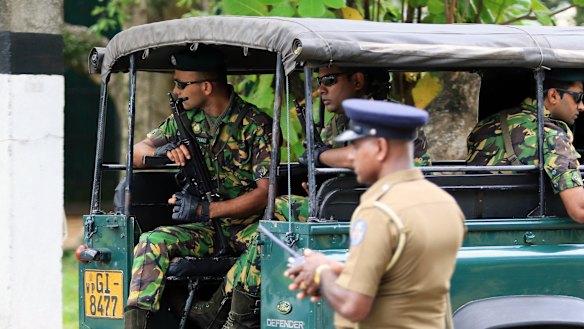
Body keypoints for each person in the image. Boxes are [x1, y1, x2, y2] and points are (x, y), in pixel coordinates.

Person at [123, 46, 273, 328]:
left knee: (269, 242)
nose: (177, 91)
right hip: (207, 230)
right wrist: (163, 152)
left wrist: (209, 209)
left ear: (206, 86)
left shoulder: (255, 125)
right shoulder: (185, 121)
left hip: (249, 226)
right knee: (152, 242)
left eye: (181, 84)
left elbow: (265, 193)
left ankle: (223, 315)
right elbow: (134, 152)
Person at [285, 99, 466, 328]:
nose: (352, 157)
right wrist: (339, 270)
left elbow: (353, 306)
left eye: (357, 147)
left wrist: (320, 271)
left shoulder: (379, 211)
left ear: (380, 148)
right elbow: (408, 279)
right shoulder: (444, 203)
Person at [274, 66, 431, 222]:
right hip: (358, 199)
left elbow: (360, 157)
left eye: (329, 80)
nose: (321, 89)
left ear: (357, 81)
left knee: (281, 206)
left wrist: (319, 155)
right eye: (319, 81)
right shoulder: (337, 124)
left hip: (401, 205)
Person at [467, 72, 584, 223]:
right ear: (553, 95)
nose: (581, 106)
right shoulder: (551, 135)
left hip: (476, 224)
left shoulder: (484, 126)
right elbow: (579, 209)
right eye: (578, 97)